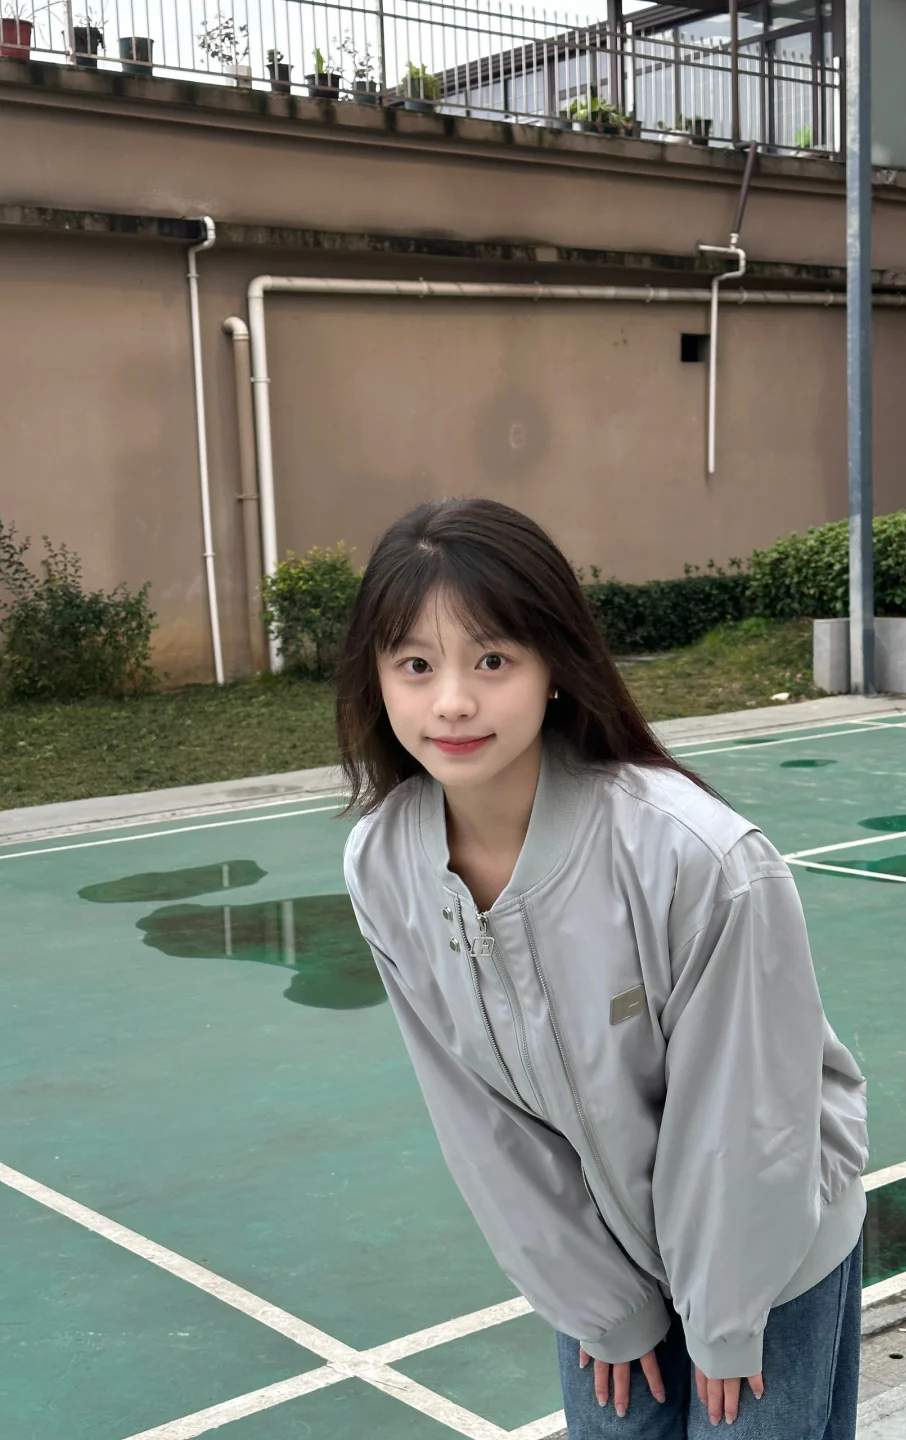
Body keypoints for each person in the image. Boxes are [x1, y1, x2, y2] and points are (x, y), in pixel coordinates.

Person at [339, 497, 869, 1439]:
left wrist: (725, 1320)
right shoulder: (383, 863)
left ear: (554, 667)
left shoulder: (697, 856)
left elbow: (746, 1115)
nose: (452, 701)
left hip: (767, 1250)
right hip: (600, 1253)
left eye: (491, 661)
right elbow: (477, 1118)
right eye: (415, 665)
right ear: (375, 679)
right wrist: (598, 1303)